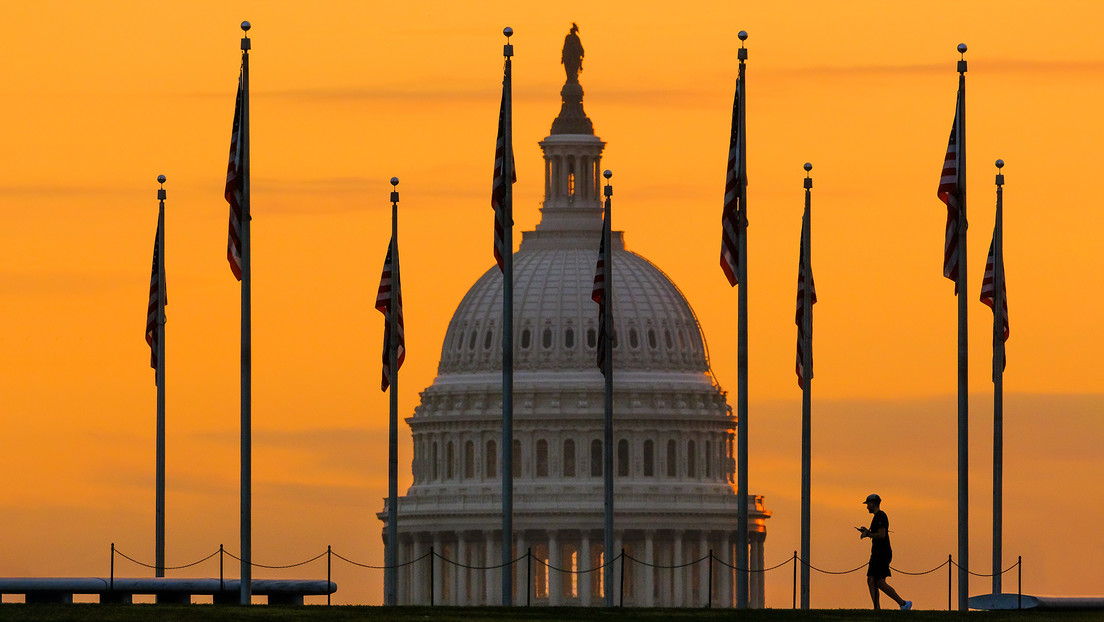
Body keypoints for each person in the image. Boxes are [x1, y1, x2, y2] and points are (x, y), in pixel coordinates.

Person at [859, 493, 912, 610]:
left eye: (868, 504)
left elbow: (881, 534)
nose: (867, 506)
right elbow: (877, 533)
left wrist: (867, 534)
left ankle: (903, 604)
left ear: (872, 503)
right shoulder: (877, 517)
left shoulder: (881, 516)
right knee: (871, 579)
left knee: (880, 582)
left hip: (882, 554)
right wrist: (867, 532)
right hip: (877, 553)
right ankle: (877, 608)